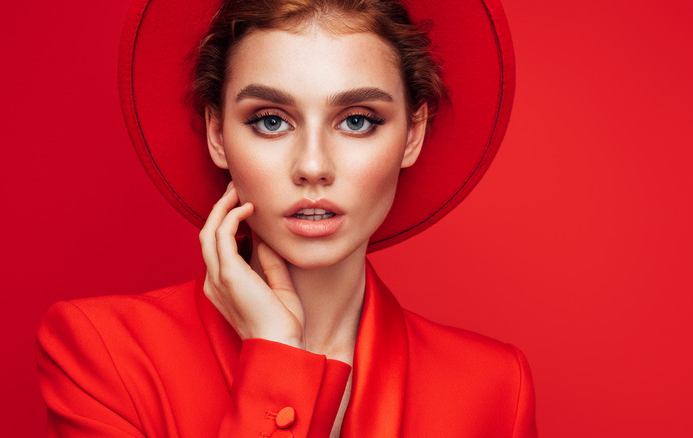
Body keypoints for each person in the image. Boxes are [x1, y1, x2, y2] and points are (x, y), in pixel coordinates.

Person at [36, 0, 537, 436]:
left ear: (412, 134)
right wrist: (275, 357)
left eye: (357, 120)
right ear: (217, 134)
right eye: (271, 120)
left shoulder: (493, 387)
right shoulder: (106, 354)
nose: (313, 167)